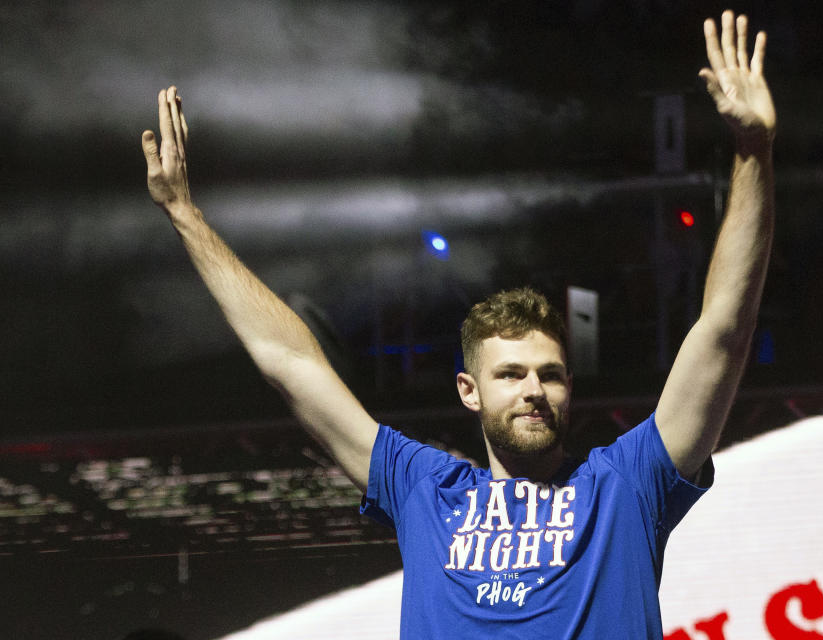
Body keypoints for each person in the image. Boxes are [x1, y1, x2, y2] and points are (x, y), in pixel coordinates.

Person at [142, 9, 774, 639]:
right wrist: (185, 214)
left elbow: (723, 332)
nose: (534, 389)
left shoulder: (625, 484)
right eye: (511, 373)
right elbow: (293, 364)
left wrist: (752, 151)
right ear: (468, 391)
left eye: (550, 374)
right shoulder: (425, 488)